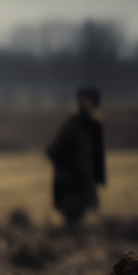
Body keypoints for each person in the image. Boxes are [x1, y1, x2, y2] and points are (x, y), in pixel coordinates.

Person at [46, 87, 106, 226]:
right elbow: (53, 151)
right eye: (90, 102)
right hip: (71, 191)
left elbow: (95, 157)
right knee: (73, 226)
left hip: (82, 189)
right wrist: (74, 169)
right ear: (83, 101)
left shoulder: (90, 125)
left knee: (81, 228)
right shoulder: (73, 125)